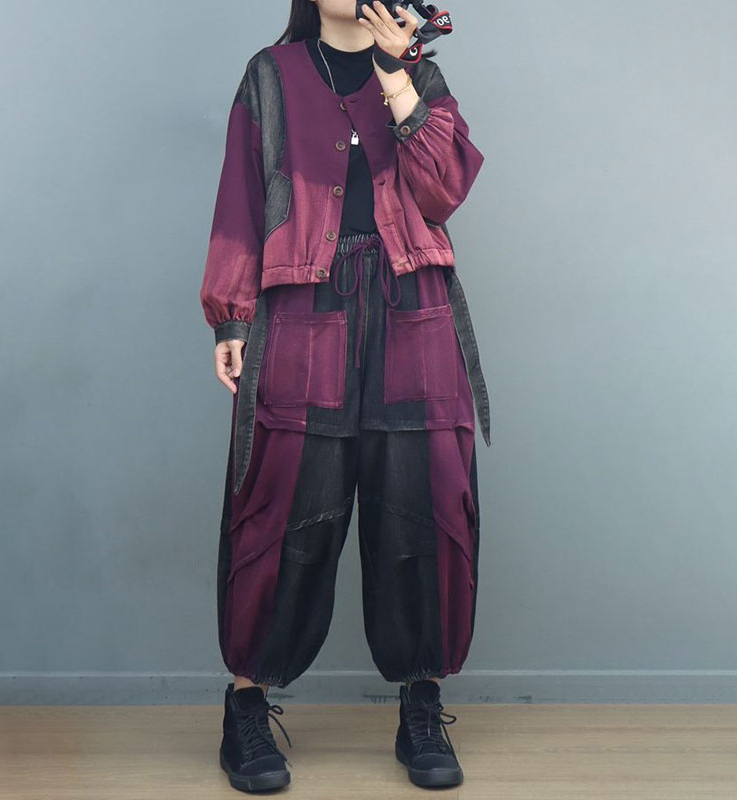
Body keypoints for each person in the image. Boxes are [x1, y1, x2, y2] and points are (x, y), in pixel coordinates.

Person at [200, 0, 491, 792]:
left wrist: (397, 77)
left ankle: (421, 706)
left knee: (423, 502)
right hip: (302, 309)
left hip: (413, 311)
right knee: (283, 505)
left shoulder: (420, 77)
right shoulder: (270, 77)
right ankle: (245, 708)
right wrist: (231, 314)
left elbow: (443, 191)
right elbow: (240, 197)